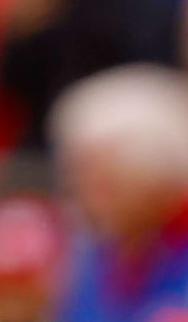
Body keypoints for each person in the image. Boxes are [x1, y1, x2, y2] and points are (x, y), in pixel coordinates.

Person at [49, 65, 188, 321]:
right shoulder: (96, 256)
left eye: (104, 185)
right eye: (78, 182)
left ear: (158, 180)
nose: (87, 200)